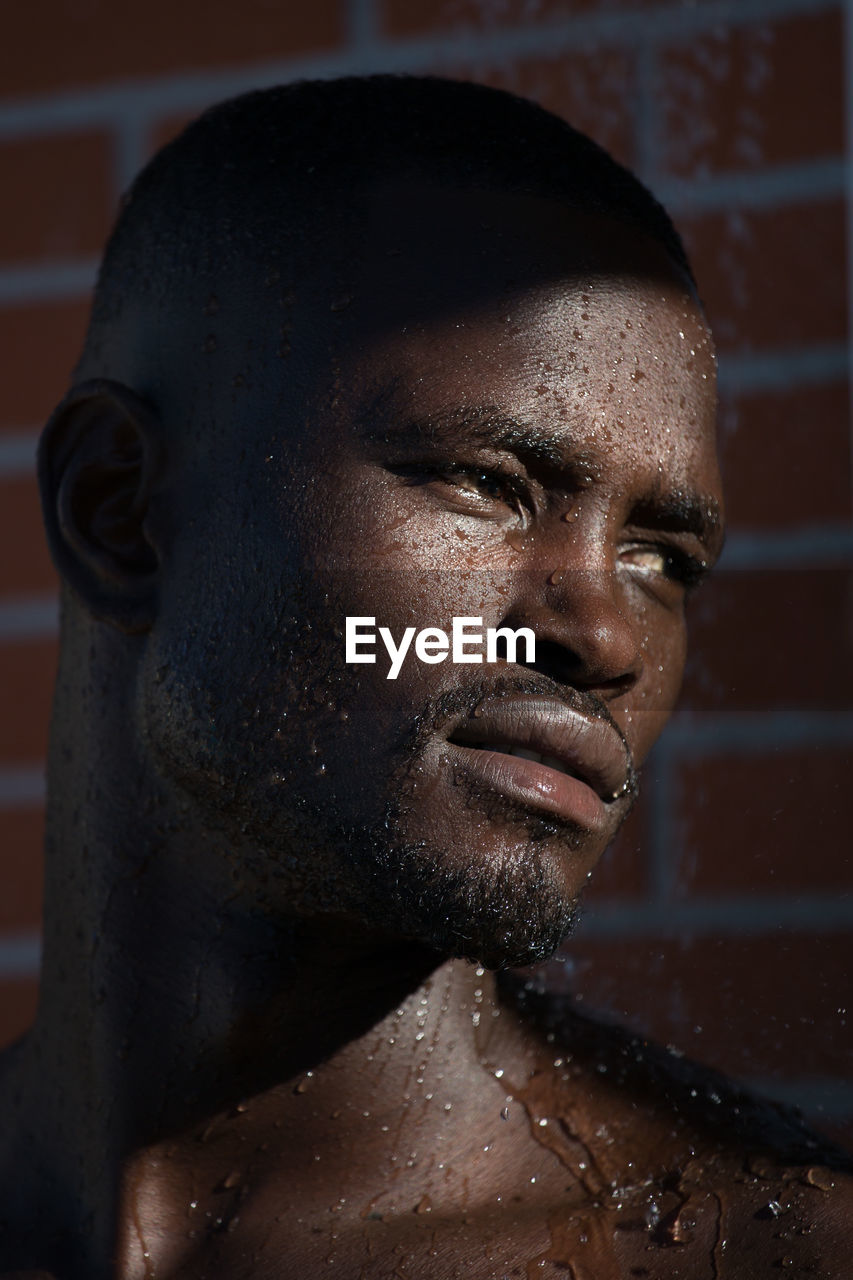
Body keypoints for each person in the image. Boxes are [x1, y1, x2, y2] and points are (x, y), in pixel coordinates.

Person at [0, 75, 850, 1279]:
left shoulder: (765, 1252)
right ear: (119, 512)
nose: (607, 636)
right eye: (489, 482)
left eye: (665, 559)